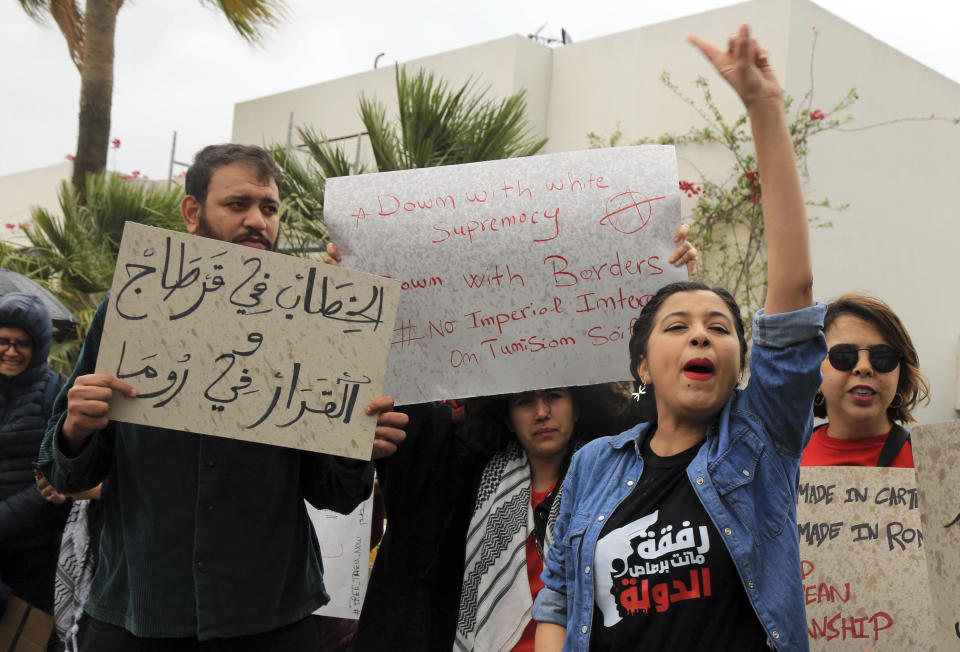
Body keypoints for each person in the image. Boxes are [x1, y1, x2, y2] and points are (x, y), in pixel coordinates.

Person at [36, 144, 408, 652]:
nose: (258, 220)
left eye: (270, 208)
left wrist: (352, 450)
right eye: (238, 205)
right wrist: (76, 429)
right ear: (193, 213)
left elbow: (336, 495)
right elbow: (63, 475)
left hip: (270, 621)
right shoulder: (129, 310)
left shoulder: (316, 325)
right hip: (139, 615)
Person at [533, 25, 822, 652]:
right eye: (678, 326)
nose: (701, 336)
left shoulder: (760, 439)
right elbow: (558, 590)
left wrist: (764, 109)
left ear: (741, 360)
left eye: (720, 328)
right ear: (642, 364)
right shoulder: (592, 464)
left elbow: (794, 296)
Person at [325, 231, 696, 652]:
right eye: (524, 402)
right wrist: (349, 297)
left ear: (578, 406)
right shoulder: (464, 473)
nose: (541, 412)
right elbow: (409, 387)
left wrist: (671, 296)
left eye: (554, 397)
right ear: (505, 413)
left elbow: (651, 397)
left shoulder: (609, 470)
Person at [0, 292, 68, 624]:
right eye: (3, 341)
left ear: (38, 346)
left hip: (33, 559)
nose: (10, 351)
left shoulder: (57, 393)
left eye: (22, 344)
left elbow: (57, 476)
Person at [802, 294, 929, 468]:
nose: (864, 367)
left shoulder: (934, 465)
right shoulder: (785, 464)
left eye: (882, 356)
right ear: (814, 371)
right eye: (844, 355)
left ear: (901, 374)